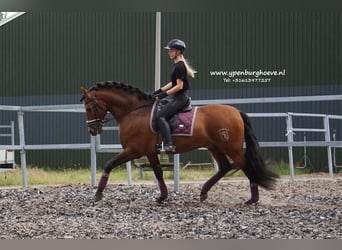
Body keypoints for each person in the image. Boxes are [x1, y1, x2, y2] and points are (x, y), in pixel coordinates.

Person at [152, 38, 197, 153]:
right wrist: (157, 92)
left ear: (178, 52)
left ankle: (169, 145)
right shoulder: (178, 66)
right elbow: (172, 83)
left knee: (160, 117)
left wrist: (163, 95)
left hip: (180, 98)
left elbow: (179, 86)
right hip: (176, 97)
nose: (169, 52)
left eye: (171, 50)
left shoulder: (180, 66)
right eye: (169, 50)